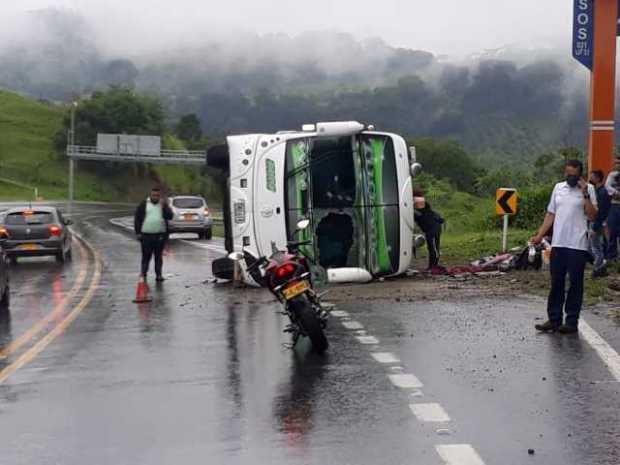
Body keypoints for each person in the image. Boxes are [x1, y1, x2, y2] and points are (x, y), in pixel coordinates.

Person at [531, 160, 598, 334]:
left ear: (580, 174)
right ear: (564, 172)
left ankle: (571, 321)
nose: (570, 178)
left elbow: (592, 216)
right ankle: (554, 319)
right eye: (568, 174)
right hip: (558, 243)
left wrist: (585, 194)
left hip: (577, 245)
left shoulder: (588, 189)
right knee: (556, 282)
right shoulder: (558, 188)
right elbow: (551, 213)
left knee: (575, 283)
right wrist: (539, 235)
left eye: (574, 175)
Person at [134, 187, 173, 282]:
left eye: (157, 196)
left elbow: (170, 216)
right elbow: (137, 218)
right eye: (154, 195)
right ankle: (143, 273)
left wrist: (165, 207)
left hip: (160, 235)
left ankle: (158, 275)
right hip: (146, 235)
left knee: (158, 256)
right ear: (150, 195)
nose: (155, 197)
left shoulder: (163, 205)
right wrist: (138, 232)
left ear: (160, 196)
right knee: (146, 256)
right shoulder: (144, 204)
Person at [413, 190, 444, 270]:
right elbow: (441, 219)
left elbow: (441, 219)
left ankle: (433, 266)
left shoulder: (418, 212)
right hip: (432, 228)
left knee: (433, 248)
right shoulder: (423, 211)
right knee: (432, 247)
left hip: (433, 229)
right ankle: (432, 266)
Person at [589, 170, 611, 277]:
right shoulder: (598, 191)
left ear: (597, 178)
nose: (590, 179)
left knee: (595, 247)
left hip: (597, 223)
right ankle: (600, 266)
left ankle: (598, 268)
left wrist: (595, 227)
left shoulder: (602, 193)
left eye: (592, 177)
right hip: (596, 222)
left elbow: (601, 212)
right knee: (594, 246)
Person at [605, 155, 620, 261]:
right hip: (615, 205)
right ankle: (611, 256)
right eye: (616, 163)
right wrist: (616, 192)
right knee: (612, 230)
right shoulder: (612, 175)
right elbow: (607, 186)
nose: (617, 165)